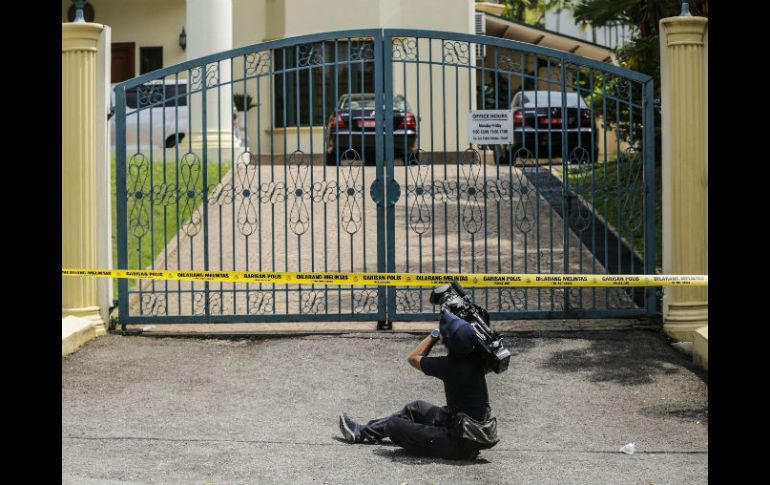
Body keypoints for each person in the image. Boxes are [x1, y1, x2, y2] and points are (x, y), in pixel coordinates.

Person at [337, 310, 498, 460]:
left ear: (447, 340)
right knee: (416, 408)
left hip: (457, 443)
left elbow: (414, 357)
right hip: (465, 429)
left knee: (394, 425)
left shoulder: (450, 366)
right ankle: (362, 433)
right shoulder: (477, 358)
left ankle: (408, 436)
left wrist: (435, 334)